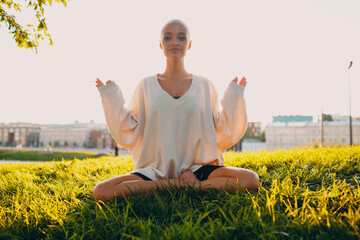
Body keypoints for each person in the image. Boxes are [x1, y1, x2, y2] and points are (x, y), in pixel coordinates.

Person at [93, 19, 259, 202]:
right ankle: (175, 184)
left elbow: (221, 127)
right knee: (102, 191)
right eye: (168, 37)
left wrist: (234, 96)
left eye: (181, 37)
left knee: (250, 179)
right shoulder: (146, 85)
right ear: (160, 44)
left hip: (197, 169)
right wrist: (110, 97)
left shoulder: (205, 85)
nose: (174, 42)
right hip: (154, 170)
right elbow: (128, 127)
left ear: (189, 44)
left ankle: (194, 185)